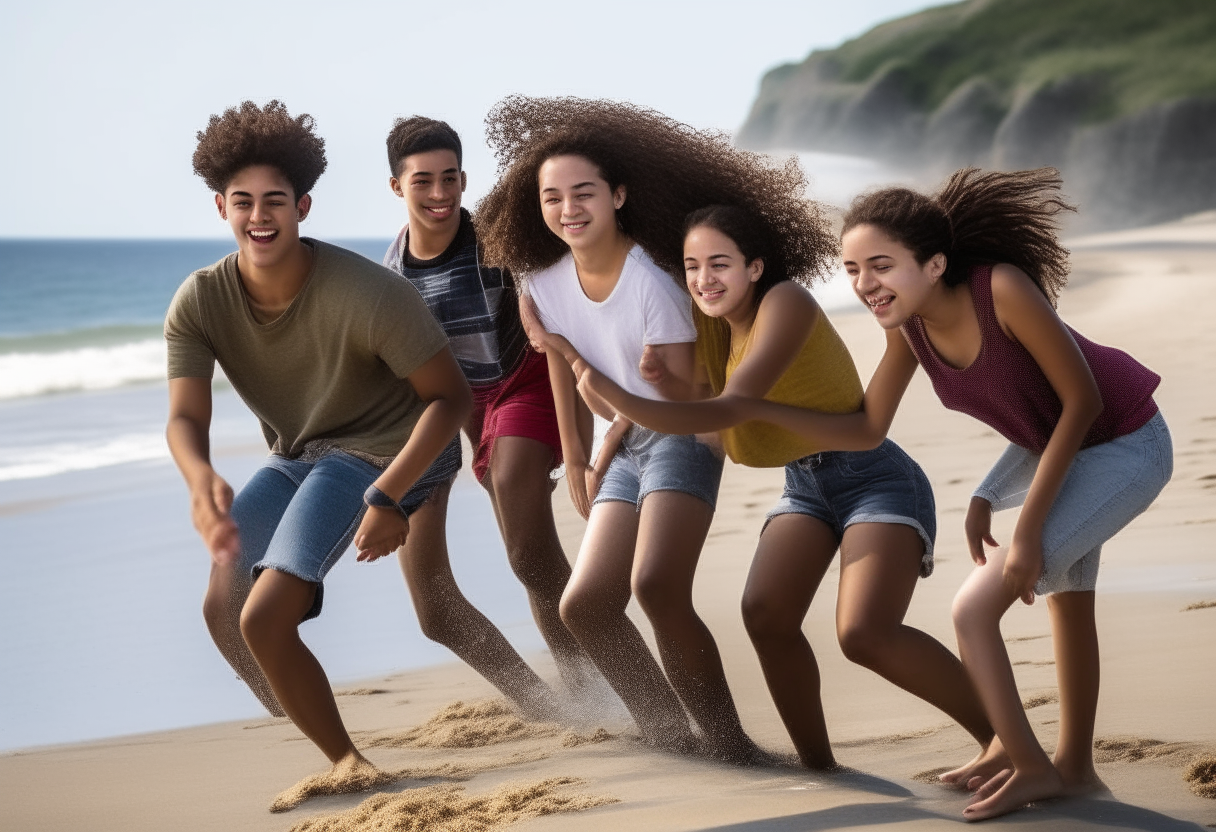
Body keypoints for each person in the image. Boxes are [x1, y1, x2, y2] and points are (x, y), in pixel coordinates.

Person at [750, 168, 1172, 820]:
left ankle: (1029, 763)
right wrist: (743, 411)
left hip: (1126, 446)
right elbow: (866, 427)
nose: (865, 285)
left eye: (881, 266)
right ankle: (1077, 771)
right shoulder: (908, 329)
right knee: (1070, 605)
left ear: (934, 262)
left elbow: (1081, 400)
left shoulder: (1000, 290)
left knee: (974, 608)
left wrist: (1025, 527)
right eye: (853, 269)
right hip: (1068, 449)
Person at [165, 101, 553, 786]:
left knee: (267, 616)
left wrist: (387, 495)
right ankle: (308, 709)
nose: (260, 216)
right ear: (221, 205)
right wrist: (199, 479)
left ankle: (352, 766)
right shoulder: (199, 301)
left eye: (275, 201)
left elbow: (450, 400)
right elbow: (185, 419)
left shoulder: (373, 291)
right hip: (299, 454)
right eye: (244, 202)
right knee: (223, 607)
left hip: (391, 449)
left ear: (304, 205)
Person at [536, 200, 995, 771]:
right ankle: (820, 769)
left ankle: (1001, 740)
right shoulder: (714, 330)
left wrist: (615, 392)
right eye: (692, 266)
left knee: (863, 633)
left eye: (720, 264)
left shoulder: (787, 302)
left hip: (874, 478)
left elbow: (734, 407)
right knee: (765, 615)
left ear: (755, 267)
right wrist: (630, 393)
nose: (704, 280)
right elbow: (708, 414)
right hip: (804, 486)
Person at [475, 97, 762, 761]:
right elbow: (556, 369)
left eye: (584, 193)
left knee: (656, 586)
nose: (569, 209)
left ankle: (729, 741)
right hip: (622, 445)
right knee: (586, 606)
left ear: (618, 195)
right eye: (553, 197)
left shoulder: (653, 283)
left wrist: (610, 415)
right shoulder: (543, 281)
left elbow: (686, 394)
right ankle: (669, 734)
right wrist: (574, 456)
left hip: (681, 438)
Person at [381, 116, 590, 693]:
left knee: (527, 557)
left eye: (450, 178)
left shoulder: (502, 242)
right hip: (448, 411)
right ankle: (546, 709)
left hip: (526, 383)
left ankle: (597, 686)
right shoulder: (388, 283)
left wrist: (575, 447)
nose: (440, 194)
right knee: (433, 612)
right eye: (423, 181)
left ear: (465, 178)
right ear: (396, 187)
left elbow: (554, 327)